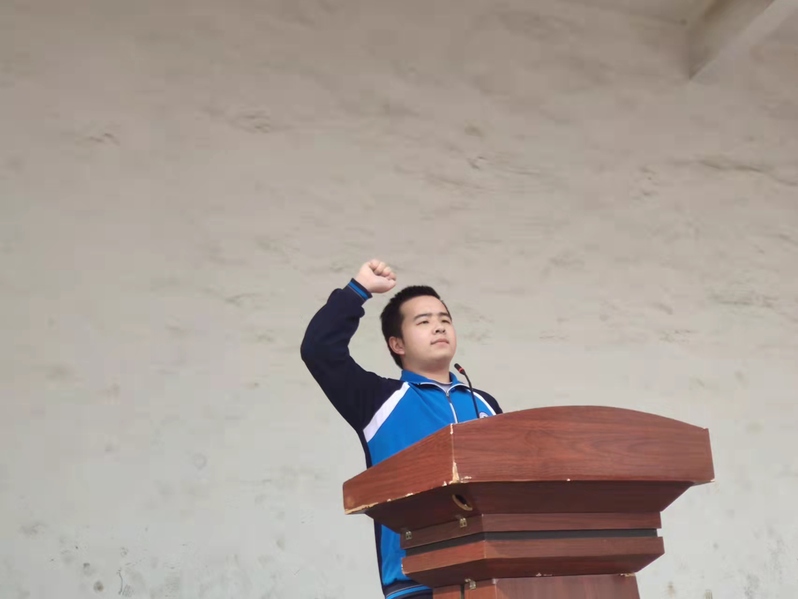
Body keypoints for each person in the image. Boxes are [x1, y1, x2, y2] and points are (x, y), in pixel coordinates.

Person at [300, 259, 503, 599]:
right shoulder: (377, 400)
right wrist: (358, 290)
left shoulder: (484, 403)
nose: (439, 328)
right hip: (417, 584)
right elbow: (319, 350)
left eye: (445, 320)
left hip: (492, 578)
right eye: (424, 322)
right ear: (397, 344)